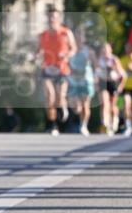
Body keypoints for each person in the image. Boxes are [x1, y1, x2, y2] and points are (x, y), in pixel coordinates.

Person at [38, 8, 76, 136]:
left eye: (54, 17)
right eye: (50, 17)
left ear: (59, 18)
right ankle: (53, 125)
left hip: (62, 69)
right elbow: (38, 51)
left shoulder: (66, 33)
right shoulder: (43, 35)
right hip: (47, 68)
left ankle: (62, 109)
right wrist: (35, 56)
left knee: (60, 97)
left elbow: (73, 49)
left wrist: (66, 55)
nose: (52, 19)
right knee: (50, 96)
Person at [67, 31, 96, 136]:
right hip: (74, 81)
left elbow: (96, 65)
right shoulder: (70, 51)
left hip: (86, 80)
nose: (79, 40)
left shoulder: (89, 51)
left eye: (80, 38)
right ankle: (80, 116)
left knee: (85, 104)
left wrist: (96, 77)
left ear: (83, 39)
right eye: (77, 38)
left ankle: (83, 125)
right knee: (75, 105)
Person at [95, 42, 125, 136]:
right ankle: (105, 123)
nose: (105, 50)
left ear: (110, 49)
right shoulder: (100, 60)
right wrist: (95, 83)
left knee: (113, 105)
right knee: (104, 103)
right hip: (103, 82)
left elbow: (123, 75)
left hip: (113, 83)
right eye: (103, 48)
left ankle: (115, 120)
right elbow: (96, 73)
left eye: (107, 48)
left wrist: (120, 87)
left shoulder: (114, 59)